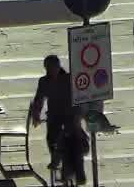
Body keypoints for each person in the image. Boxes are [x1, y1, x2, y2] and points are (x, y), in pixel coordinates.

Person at [27, 53, 87, 183]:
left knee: (76, 140)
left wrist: (79, 115)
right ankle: (56, 159)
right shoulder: (43, 81)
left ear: (58, 67)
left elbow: (80, 97)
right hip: (54, 116)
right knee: (51, 138)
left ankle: (76, 170)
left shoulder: (68, 78)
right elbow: (39, 99)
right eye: (48, 68)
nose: (51, 71)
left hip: (70, 115)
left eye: (53, 68)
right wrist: (36, 115)